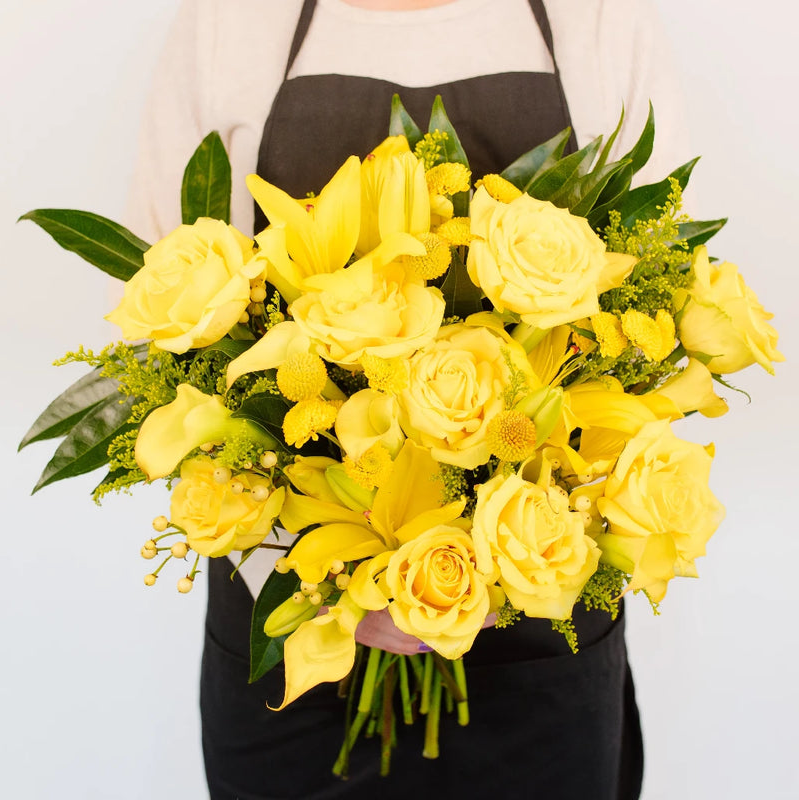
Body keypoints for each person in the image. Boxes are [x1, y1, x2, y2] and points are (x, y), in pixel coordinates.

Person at [128, 1, 690, 797]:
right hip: (298, 613)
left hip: (539, 625)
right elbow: (155, 311)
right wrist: (330, 588)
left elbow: (663, 307)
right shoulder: (230, 20)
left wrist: (513, 568)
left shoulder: (597, 16)